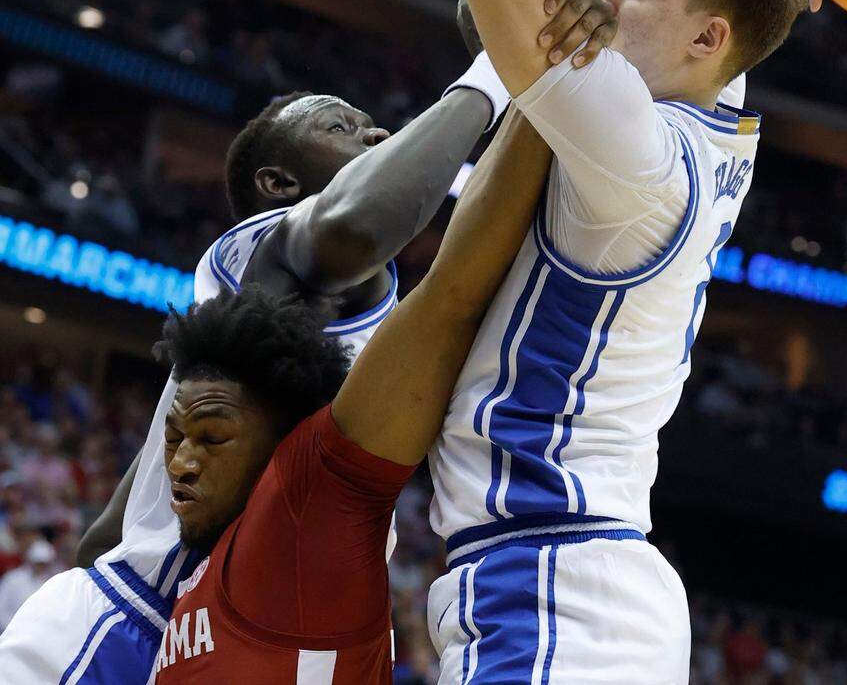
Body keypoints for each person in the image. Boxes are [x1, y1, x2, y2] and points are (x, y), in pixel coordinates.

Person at [0, 0, 616, 682]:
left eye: (368, 125)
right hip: (134, 629)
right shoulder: (259, 254)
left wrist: (555, 83)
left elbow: (110, 528)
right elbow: (352, 227)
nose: (378, 133)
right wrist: (494, 73)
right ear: (278, 184)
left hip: (238, 640)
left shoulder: (370, 310)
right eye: (339, 128)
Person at [426, 0, 847, 681]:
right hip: (578, 580)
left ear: (705, 36)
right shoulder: (716, 83)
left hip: (555, 584)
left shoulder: (638, 151)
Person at [148, 100, 552, 680]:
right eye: (175, 437)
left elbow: (451, 293)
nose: (181, 463)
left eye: (212, 439)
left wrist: (536, 92)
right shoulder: (192, 575)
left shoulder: (312, 493)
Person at [0, 540, 56, 633]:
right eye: (38, 562)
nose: (41, 566)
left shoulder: (51, 580)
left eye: (44, 563)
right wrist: (13, 630)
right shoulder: (12, 579)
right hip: (10, 632)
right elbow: (1, 608)